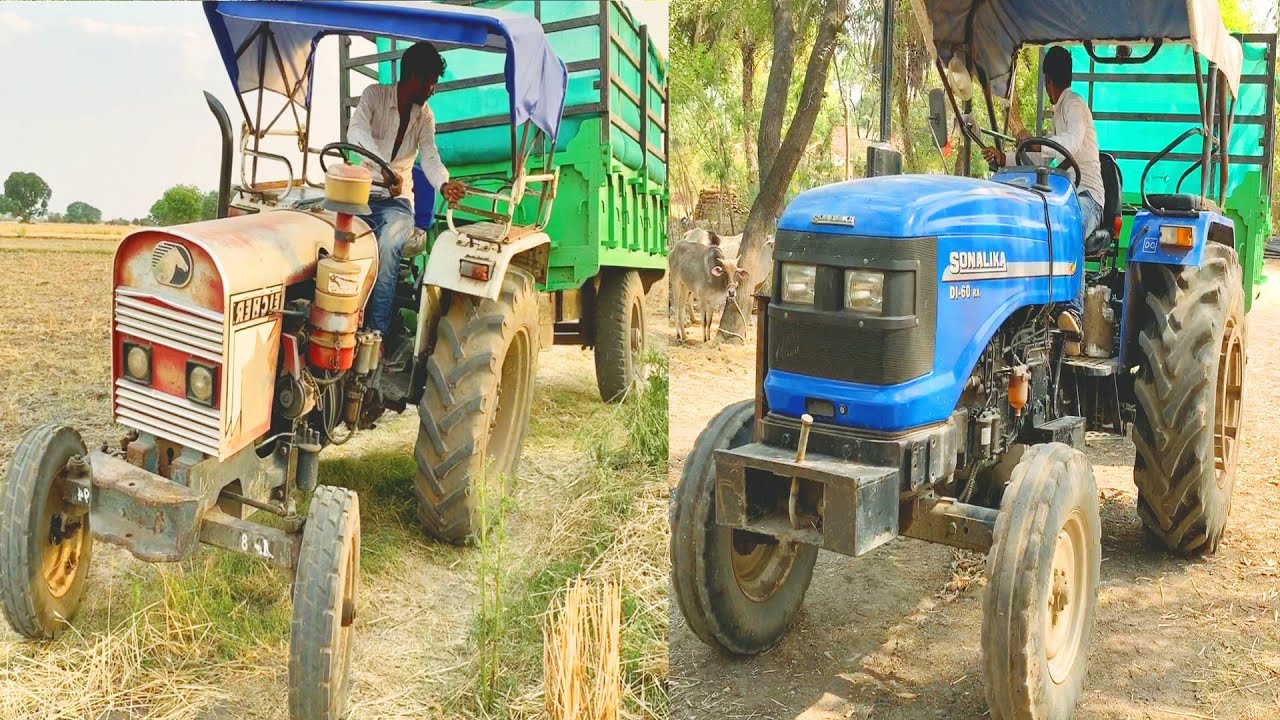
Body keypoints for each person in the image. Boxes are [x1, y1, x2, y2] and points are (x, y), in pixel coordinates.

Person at [982, 45, 1103, 344]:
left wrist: (1031, 140)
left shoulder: (1073, 105)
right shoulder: (1059, 112)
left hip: (1086, 197)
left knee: (1069, 226)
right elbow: (1045, 158)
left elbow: (1069, 144)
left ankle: (1073, 314)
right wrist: (1005, 158)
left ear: (1048, 80)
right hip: (1062, 196)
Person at [346, 41, 467, 340]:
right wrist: (384, 169)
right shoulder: (374, 96)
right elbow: (356, 132)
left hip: (397, 204)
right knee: (324, 234)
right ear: (413, 77)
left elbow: (429, 156)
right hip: (361, 197)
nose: (432, 89)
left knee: (387, 245)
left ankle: (376, 334)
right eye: (429, 82)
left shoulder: (425, 116)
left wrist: (443, 183)